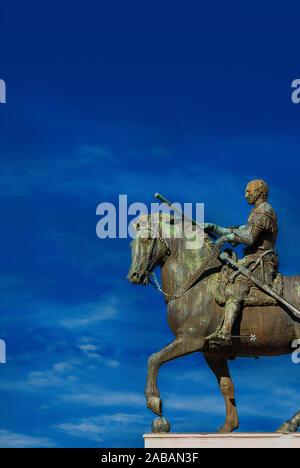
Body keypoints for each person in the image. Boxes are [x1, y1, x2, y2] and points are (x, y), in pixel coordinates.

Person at [204, 179, 278, 341]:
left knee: (235, 290)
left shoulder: (264, 210)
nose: (245, 196)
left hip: (259, 264)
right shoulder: (256, 212)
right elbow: (242, 230)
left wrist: (225, 239)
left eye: (248, 192)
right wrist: (216, 228)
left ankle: (225, 332)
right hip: (252, 260)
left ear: (258, 192)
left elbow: (249, 238)